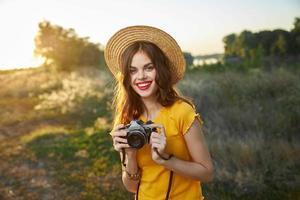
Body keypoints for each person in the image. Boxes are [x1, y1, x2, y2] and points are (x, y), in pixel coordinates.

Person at [104, 25, 214, 200]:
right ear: (126, 76)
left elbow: (207, 173)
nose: (141, 77)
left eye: (148, 68)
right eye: (133, 70)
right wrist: (130, 156)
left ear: (160, 70)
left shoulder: (182, 112)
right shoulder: (126, 120)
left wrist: (166, 160)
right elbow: (132, 187)